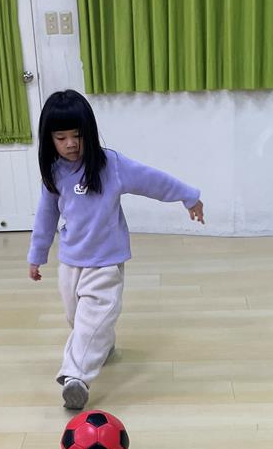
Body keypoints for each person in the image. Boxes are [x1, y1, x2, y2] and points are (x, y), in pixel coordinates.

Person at [28, 90, 204, 409]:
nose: (71, 144)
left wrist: (189, 196)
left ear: (89, 132)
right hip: (71, 260)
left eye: (77, 135)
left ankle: (75, 378)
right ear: (49, 140)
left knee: (93, 316)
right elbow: (45, 216)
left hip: (106, 260)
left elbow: (153, 180)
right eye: (61, 138)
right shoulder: (54, 174)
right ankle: (102, 346)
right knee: (76, 317)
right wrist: (37, 255)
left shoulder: (111, 165)